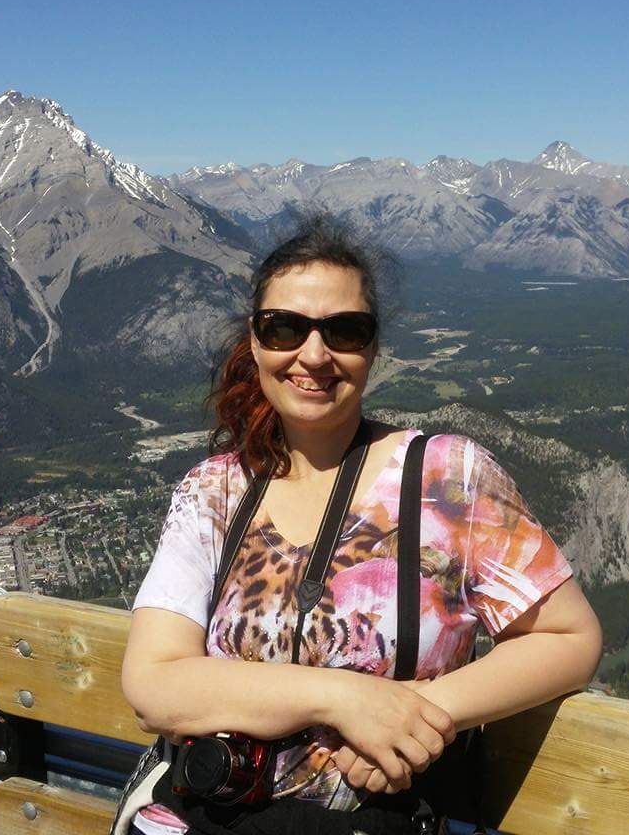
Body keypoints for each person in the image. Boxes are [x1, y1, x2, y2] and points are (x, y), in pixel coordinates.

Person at [120, 217, 603, 835]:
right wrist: (347, 698)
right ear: (256, 342)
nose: (314, 354)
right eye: (285, 327)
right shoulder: (213, 491)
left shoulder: (449, 479)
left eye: (345, 330)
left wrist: (420, 714)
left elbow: (568, 637)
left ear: (373, 349)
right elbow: (153, 683)